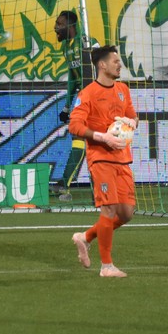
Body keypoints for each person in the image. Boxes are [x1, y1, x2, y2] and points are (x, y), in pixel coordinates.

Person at [68, 45, 138, 278]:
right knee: (108, 208)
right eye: (115, 61)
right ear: (102, 65)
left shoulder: (123, 89)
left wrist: (131, 123)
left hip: (122, 158)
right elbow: (74, 126)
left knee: (126, 213)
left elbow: (133, 116)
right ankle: (106, 266)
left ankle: (85, 237)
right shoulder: (87, 93)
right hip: (100, 158)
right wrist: (102, 137)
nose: (120, 65)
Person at [52, 10, 96, 202]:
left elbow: (103, 67)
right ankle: (65, 184)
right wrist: (67, 107)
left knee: (93, 142)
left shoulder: (87, 43)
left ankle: (67, 184)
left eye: (59, 24)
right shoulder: (67, 48)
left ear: (70, 25)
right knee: (82, 139)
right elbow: (73, 79)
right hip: (83, 99)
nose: (56, 28)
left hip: (96, 99)